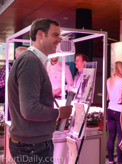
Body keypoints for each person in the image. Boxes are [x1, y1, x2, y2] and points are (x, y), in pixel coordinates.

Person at [8, 18, 73, 164]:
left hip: (32, 143)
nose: (59, 40)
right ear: (40, 35)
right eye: (55, 35)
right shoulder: (30, 61)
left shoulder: (31, 60)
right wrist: (58, 113)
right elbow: (30, 110)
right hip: (33, 146)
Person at [107, 61, 122, 164]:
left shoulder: (109, 80)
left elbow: (108, 97)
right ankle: (119, 161)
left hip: (110, 109)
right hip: (120, 111)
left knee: (111, 136)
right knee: (121, 137)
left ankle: (110, 160)